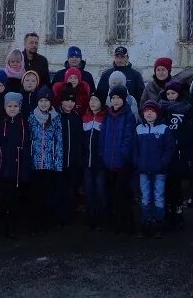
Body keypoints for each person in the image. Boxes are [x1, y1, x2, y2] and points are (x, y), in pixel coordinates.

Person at [0, 92, 32, 238]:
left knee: (15, 197)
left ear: (20, 107)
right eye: (9, 106)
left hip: (17, 167)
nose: (12, 108)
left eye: (15, 106)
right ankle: (4, 223)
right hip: (4, 167)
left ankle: (13, 223)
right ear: (5, 107)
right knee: (3, 196)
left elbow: (27, 146)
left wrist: (25, 168)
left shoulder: (23, 123)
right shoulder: (1, 123)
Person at [134, 100, 175, 238]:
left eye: (152, 111)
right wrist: (138, 162)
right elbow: (135, 150)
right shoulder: (139, 128)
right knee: (145, 197)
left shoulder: (164, 129)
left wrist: (163, 163)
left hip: (159, 170)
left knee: (158, 197)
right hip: (143, 170)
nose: (149, 113)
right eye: (147, 111)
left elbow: (169, 149)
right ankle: (146, 221)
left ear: (157, 113)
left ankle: (159, 223)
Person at [159, 79, 193, 230]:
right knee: (165, 184)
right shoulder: (161, 107)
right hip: (164, 151)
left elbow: (189, 131)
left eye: (173, 93)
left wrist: (182, 143)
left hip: (179, 152)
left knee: (176, 184)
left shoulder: (186, 108)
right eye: (168, 93)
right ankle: (167, 211)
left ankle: (178, 210)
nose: (170, 96)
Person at [27, 86, 63, 232]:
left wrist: (58, 163)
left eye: (46, 100)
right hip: (35, 163)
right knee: (35, 195)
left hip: (50, 163)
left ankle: (47, 223)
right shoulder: (31, 117)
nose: (43, 103)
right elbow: (28, 139)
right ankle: (35, 223)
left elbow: (59, 141)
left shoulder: (55, 118)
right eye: (41, 100)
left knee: (48, 195)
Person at [101, 86, 135, 234]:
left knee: (122, 192)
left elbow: (128, 138)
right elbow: (103, 136)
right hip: (108, 160)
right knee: (110, 191)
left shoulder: (128, 115)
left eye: (118, 98)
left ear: (124, 99)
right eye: (113, 98)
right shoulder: (107, 115)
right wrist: (102, 152)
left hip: (122, 161)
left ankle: (123, 221)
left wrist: (123, 154)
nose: (115, 100)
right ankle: (111, 220)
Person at [55, 85, 84, 226]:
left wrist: (78, 158)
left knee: (70, 189)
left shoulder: (76, 117)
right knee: (59, 189)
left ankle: (68, 215)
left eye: (72, 101)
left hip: (72, 160)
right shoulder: (56, 116)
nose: (69, 104)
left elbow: (79, 140)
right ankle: (58, 215)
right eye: (67, 100)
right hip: (59, 161)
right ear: (61, 101)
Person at [81, 93, 106, 231]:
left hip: (100, 163)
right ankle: (90, 218)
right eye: (91, 99)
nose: (92, 102)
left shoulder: (105, 118)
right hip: (87, 163)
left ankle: (101, 218)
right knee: (89, 191)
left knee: (100, 191)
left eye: (96, 100)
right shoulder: (84, 118)